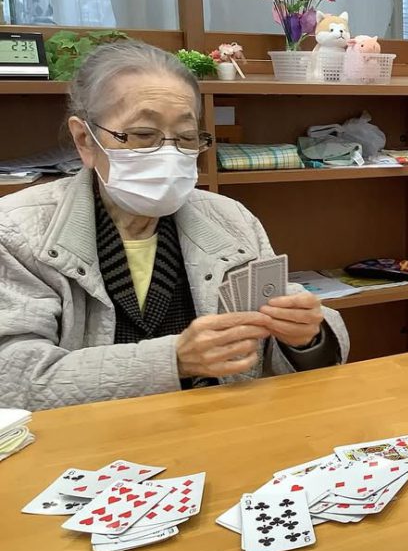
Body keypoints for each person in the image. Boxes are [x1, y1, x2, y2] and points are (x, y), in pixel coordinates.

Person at [0, 41, 349, 410]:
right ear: (85, 140)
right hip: (91, 437)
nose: (168, 154)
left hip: (220, 426)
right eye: (142, 135)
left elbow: (278, 353)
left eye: (185, 138)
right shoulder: (18, 230)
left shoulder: (231, 220)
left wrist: (307, 337)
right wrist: (174, 360)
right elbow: (13, 377)